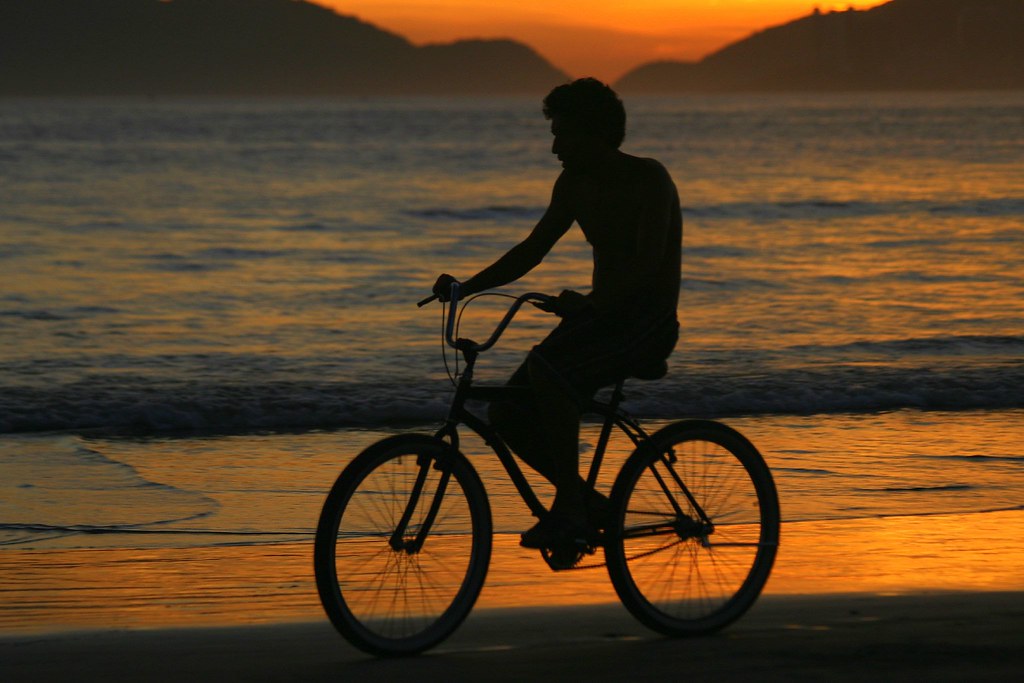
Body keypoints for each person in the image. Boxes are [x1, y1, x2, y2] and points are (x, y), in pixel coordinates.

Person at [432, 77, 681, 549]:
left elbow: (647, 269)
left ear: (595, 134)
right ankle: (587, 502)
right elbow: (533, 249)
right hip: (599, 321)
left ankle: (569, 510)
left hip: (645, 324)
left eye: (562, 135)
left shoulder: (649, 179)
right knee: (505, 412)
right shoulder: (574, 184)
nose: (554, 148)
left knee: (549, 375)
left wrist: (588, 305)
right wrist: (466, 287)